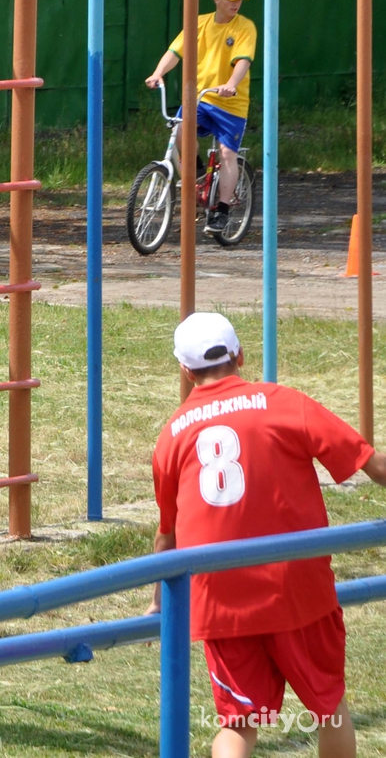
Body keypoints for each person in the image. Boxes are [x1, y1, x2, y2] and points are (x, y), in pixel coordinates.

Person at [149, 313, 386, 758]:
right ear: (241, 355)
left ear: (184, 370)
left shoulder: (172, 436)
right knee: (329, 709)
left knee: (238, 724)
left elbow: (169, 535)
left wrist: (159, 600)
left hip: (219, 598)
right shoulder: (283, 402)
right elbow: (373, 466)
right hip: (298, 588)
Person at [144, 0, 256, 234]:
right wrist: (158, 72)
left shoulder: (244, 27)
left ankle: (221, 211)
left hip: (231, 102)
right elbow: (175, 51)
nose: (235, 3)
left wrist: (231, 83)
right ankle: (195, 171)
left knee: (228, 154)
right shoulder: (199, 24)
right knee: (180, 129)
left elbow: (243, 61)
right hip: (201, 98)